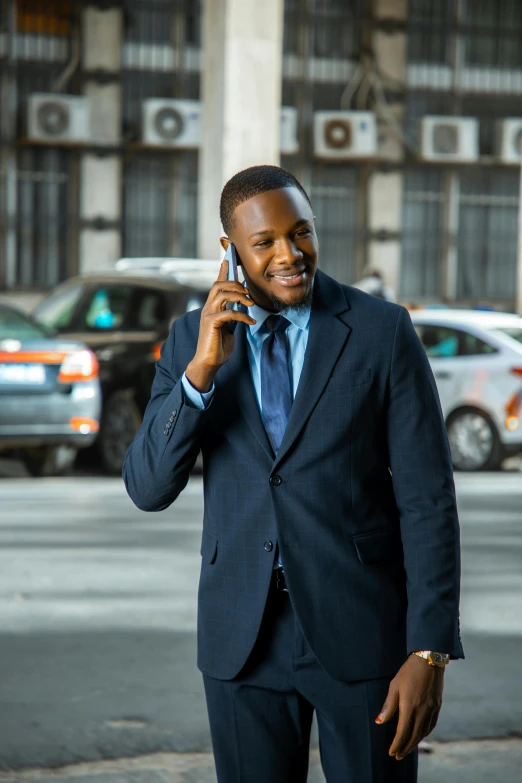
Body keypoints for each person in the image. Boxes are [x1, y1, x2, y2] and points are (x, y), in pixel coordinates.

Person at [123, 165, 463, 783]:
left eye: (300, 232)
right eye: (265, 242)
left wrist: (429, 648)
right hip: (241, 640)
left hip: (364, 636)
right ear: (230, 251)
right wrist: (201, 372)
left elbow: (428, 500)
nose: (290, 254)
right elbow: (147, 488)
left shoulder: (381, 332)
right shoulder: (189, 341)